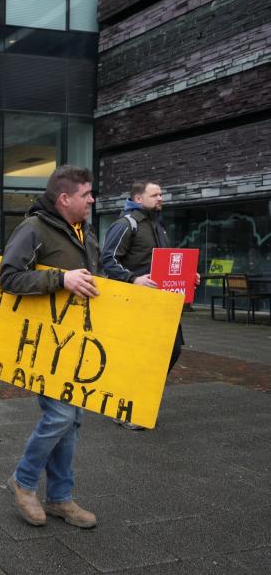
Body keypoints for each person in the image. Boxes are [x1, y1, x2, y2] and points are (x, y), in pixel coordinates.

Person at [0, 165, 100, 529]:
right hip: (44, 344)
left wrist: (137, 281)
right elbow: (8, 277)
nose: (92, 199)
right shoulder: (33, 228)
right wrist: (60, 279)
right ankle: (23, 482)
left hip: (75, 344)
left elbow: (96, 279)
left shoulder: (84, 232)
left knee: (72, 421)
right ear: (64, 198)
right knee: (59, 416)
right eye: (87, 194)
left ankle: (60, 498)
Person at [100, 181, 198, 430]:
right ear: (138, 198)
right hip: (136, 303)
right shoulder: (126, 224)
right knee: (137, 356)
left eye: (162, 194)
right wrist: (134, 278)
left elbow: (164, 264)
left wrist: (188, 276)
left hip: (162, 303)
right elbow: (108, 259)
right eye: (155, 194)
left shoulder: (158, 225)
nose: (161, 198)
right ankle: (124, 408)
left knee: (172, 350)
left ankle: (140, 398)